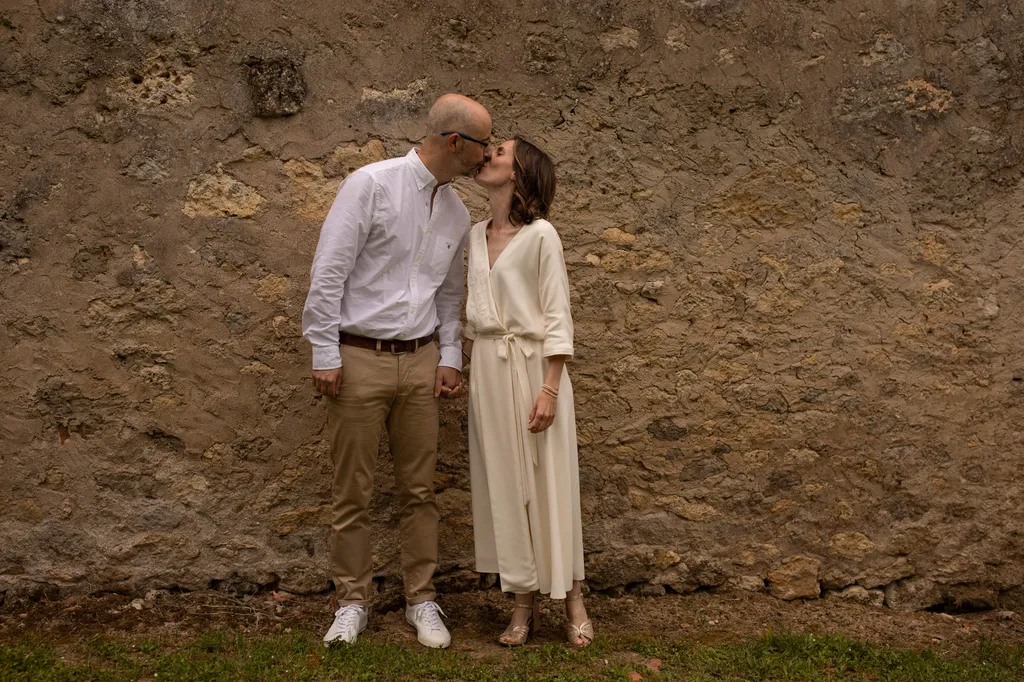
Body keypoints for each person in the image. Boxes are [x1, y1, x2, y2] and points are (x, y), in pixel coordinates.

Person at [301, 94, 492, 648]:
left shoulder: (457, 211)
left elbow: (450, 293)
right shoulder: (371, 185)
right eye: (483, 142)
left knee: (419, 490)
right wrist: (325, 353)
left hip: (422, 360)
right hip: (358, 358)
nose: (488, 154)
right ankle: (352, 602)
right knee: (352, 491)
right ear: (456, 142)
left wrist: (450, 358)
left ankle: (421, 599)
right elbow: (329, 270)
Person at [462, 137, 594, 647]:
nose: (487, 154)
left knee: (548, 484)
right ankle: (522, 603)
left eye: (498, 151)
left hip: (537, 369)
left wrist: (551, 388)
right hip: (490, 375)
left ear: (519, 172)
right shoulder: (474, 235)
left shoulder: (543, 236)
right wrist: (461, 364)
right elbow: (474, 314)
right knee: (503, 485)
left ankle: (574, 597)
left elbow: (557, 313)